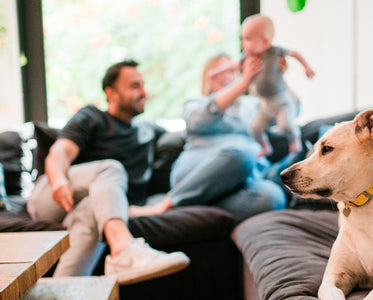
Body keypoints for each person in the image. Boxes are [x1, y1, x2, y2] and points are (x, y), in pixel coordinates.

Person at [27, 60, 190, 284]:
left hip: (91, 207)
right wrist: (58, 181)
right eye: (134, 86)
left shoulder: (147, 131)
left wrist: (151, 207)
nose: (143, 92)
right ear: (110, 93)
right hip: (53, 196)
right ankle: (123, 250)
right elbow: (60, 153)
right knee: (111, 168)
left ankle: (61, 292)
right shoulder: (92, 116)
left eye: (143, 85)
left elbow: (197, 135)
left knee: (90, 212)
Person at [128, 54, 287, 222]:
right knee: (242, 155)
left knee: (273, 197)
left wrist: (276, 77)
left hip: (242, 182)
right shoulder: (197, 103)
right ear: (208, 77)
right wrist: (243, 84)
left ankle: (191, 206)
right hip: (196, 173)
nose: (228, 76)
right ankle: (168, 203)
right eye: (221, 71)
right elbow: (198, 121)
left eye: (231, 71)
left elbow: (288, 112)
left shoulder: (251, 105)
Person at [209, 14, 315, 157]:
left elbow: (294, 54)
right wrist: (217, 71)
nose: (242, 44)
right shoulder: (246, 59)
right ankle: (265, 147)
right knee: (255, 129)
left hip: (281, 100)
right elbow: (234, 65)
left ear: (265, 42)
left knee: (286, 126)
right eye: (242, 39)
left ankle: (294, 140)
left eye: (247, 39)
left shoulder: (274, 52)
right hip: (265, 105)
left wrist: (306, 68)